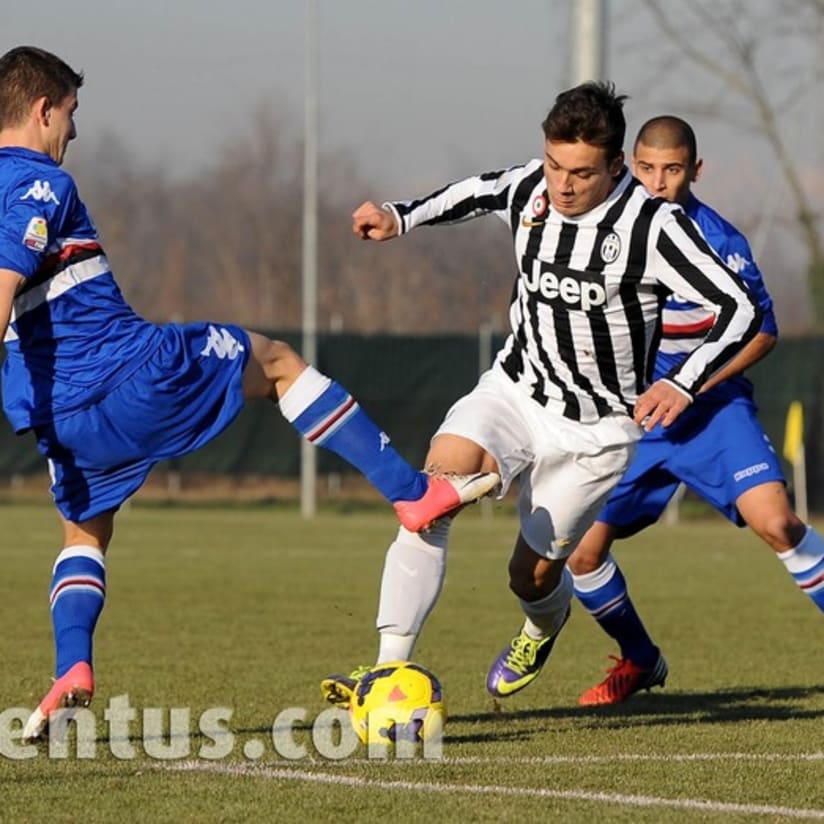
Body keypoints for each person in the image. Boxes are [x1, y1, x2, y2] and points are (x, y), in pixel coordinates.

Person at [0, 46, 500, 742]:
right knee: (278, 361)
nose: (73, 134)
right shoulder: (37, 185)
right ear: (41, 109)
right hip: (129, 373)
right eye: (70, 116)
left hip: (57, 412)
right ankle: (411, 492)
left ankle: (72, 668)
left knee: (85, 533)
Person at [320, 84, 762, 706]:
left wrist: (682, 381)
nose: (562, 185)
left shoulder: (654, 227)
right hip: (516, 390)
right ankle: (389, 668)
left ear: (615, 168)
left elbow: (740, 309)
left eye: (581, 173)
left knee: (530, 576)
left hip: (597, 434)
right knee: (428, 499)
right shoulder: (531, 188)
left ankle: (540, 625)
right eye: (555, 165)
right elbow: (474, 192)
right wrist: (401, 215)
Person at [496, 115, 824, 707]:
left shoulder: (718, 239)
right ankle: (641, 660)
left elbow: (762, 331)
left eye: (672, 170)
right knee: (585, 551)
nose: (657, 181)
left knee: (778, 523)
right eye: (646, 168)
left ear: (694, 171)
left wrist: (689, 387)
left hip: (710, 413)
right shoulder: (604, 226)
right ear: (627, 165)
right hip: (633, 420)